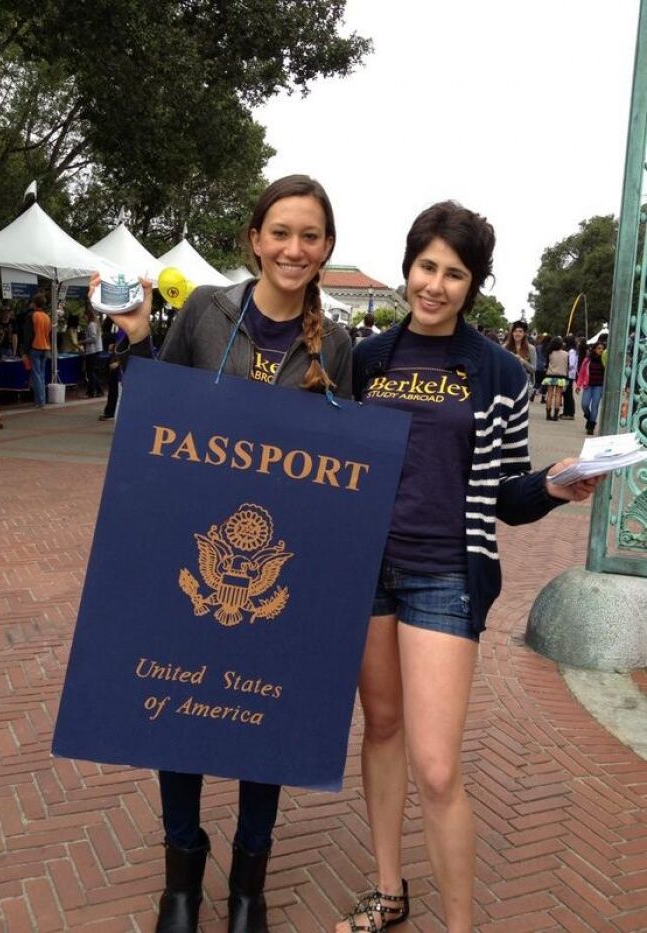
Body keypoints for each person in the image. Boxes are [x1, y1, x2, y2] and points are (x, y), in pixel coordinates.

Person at [339, 201, 601, 933]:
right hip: (367, 570)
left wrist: (555, 483)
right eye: (427, 266)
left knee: (439, 766)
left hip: (444, 575)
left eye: (455, 273)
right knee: (382, 728)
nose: (436, 284)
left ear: (474, 283)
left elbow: (508, 496)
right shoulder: (368, 359)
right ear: (407, 267)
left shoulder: (500, 371)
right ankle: (388, 891)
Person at [102, 174, 352, 933]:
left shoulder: (337, 344)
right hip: (191, 544)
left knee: (265, 718)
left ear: (327, 248)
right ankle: (181, 874)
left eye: (310, 236)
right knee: (174, 704)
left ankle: (249, 881)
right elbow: (156, 411)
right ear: (254, 238)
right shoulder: (210, 310)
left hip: (285, 558)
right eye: (281, 232)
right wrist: (140, 335)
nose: (294, 248)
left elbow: (343, 464)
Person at [22, 293, 51, 408]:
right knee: (42, 374)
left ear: (34, 303)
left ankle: (40, 401)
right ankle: (41, 399)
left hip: (35, 347)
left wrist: (25, 351)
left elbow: (28, 334)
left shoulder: (32, 316)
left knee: (36, 375)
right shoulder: (47, 317)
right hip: (45, 347)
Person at [576, 339, 605, 435]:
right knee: (584, 404)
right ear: (594, 349)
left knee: (595, 406)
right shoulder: (587, 360)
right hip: (588, 385)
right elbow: (582, 373)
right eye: (599, 348)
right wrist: (578, 385)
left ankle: (591, 426)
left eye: (602, 348)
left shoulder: (605, 361)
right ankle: (589, 418)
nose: (600, 350)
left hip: (599, 386)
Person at [502, 320, 536, 396]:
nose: (517, 334)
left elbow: (533, 369)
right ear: (512, 333)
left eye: (520, 331)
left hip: (524, 384)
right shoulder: (504, 347)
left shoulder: (531, 349)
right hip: (507, 383)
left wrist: (522, 360)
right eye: (515, 331)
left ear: (524, 334)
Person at [541, 336, 569, 421]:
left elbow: (546, 364)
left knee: (549, 395)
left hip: (550, 376)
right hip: (561, 377)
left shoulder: (550, 353)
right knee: (558, 395)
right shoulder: (566, 353)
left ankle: (548, 415)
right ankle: (556, 415)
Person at [81, 304, 104, 397]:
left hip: (92, 351)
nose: (84, 318)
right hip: (96, 350)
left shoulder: (91, 325)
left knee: (90, 372)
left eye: (85, 316)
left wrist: (83, 341)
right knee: (92, 371)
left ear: (88, 315)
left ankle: (91, 391)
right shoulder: (95, 324)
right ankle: (98, 390)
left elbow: (93, 338)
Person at [560, 333, 578, 419]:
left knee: (567, 394)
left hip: (568, 374)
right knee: (566, 393)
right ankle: (566, 412)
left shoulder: (571, 351)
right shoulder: (572, 351)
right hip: (569, 374)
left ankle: (569, 413)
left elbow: (571, 364)